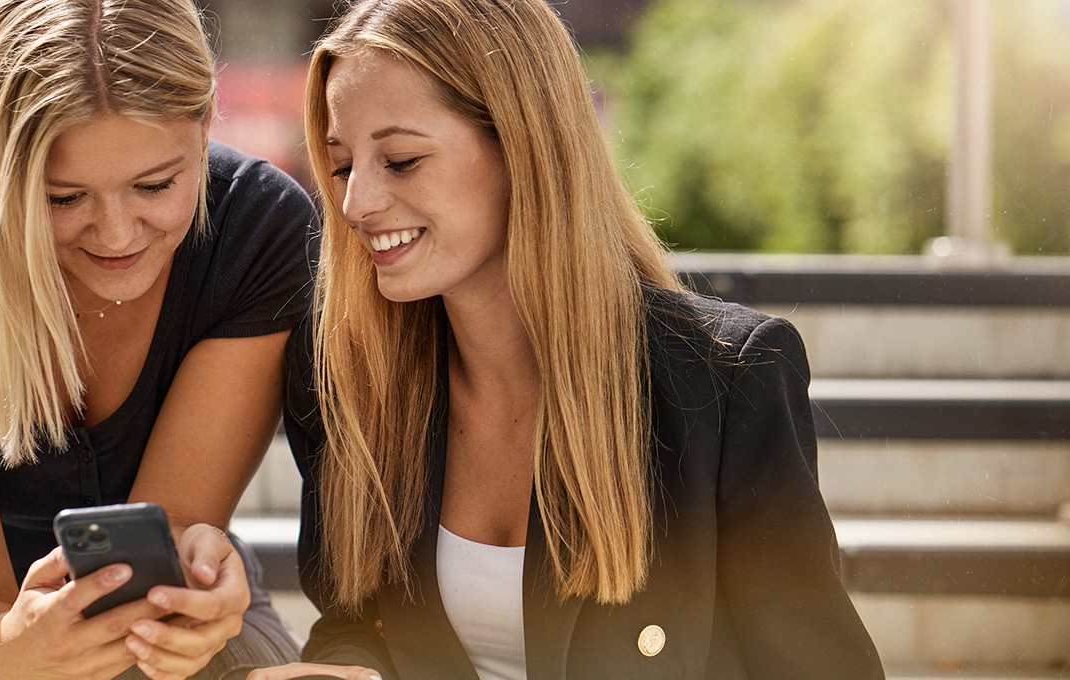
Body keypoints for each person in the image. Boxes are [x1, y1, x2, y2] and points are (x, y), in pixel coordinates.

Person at [259, 0, 885, 677]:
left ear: (524, 146)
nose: (354, 204)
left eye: (402, 160)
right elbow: (357, 623)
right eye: (343, 166)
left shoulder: (724, 380)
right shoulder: (346, 382)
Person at [0, 0, 316, 678]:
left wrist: (197, 611)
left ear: (205, 126)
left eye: (155, 185)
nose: (116, 235)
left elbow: (152, 569)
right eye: (61, 198)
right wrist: (16, 647)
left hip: (181, 618)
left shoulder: (257, 230)